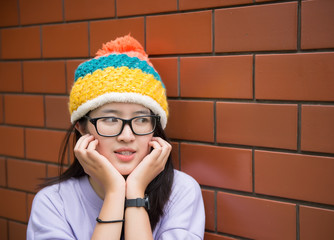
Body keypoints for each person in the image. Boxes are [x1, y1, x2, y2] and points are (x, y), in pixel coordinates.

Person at [27, 35, 205, 239]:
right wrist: (115, 192)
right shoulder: (53, 203)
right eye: (111, 120)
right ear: (81, 128)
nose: (127, 136)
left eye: (141, 120)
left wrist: (135, 191)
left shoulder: (180, 192)